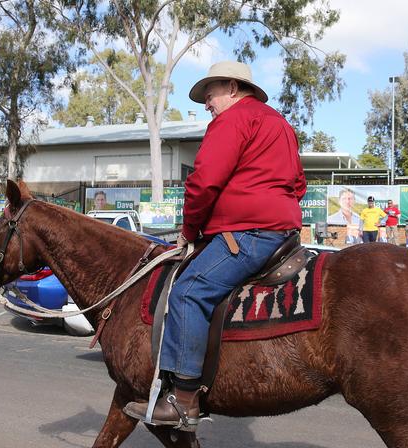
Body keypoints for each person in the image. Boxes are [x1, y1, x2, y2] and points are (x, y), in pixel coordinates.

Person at [123, 61, 306, 427]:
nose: (207, 103)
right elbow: (298, 184)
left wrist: (190, 230)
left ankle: (184, 399)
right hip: (280, 230)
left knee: (189, 291)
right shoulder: (279, 124)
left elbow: (204, 182)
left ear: (232, 88)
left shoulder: (233, 120)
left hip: (250, 232)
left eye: (210, 95)